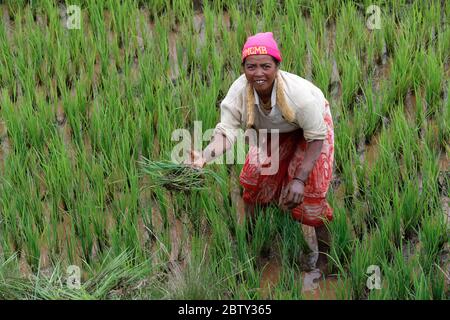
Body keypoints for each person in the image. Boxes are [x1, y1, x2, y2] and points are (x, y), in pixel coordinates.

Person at [188, 32, 334, 275]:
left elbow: (316, 137)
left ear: (277, 66)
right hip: (275, 130)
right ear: (243, 68)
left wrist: (298, 179)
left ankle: (326, 259)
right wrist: (204, 157)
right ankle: (253, 242)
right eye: (251, 66)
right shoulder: (239, 92)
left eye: (266, 66)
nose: (258, 73)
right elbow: (227, 131)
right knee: (256, 180)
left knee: (310, 197)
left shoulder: (299, 97)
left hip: (312, 132)